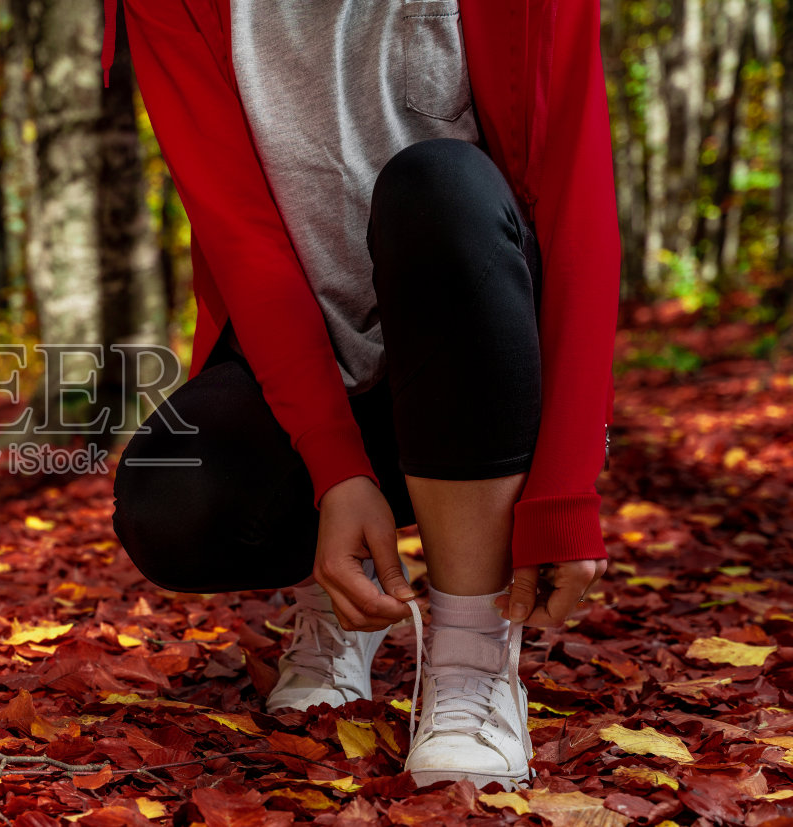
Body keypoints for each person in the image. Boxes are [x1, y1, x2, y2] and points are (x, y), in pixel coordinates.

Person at [105, 0, 619, 790]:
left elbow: (575, 192)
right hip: (306, 347)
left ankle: (472, 659)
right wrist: (334, 469)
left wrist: (566, 486)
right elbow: (240, 235)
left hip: (480, 347)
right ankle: (347, 599)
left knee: (437, 183)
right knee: (173, 503)